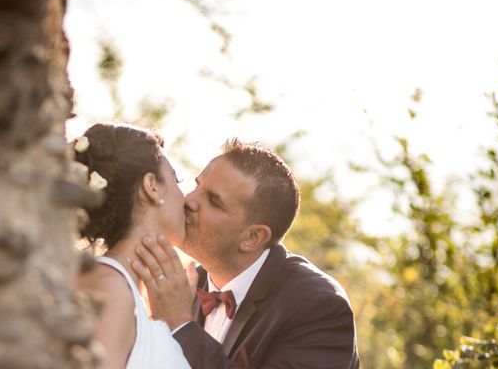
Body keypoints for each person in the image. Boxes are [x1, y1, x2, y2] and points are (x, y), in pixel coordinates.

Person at [132, 138, 360, 368]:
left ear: (253, 238)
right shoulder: (185, 289)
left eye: (213, 201)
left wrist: (180, 323)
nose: (189, 200)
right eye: (197, 185)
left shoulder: (318, 306)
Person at [73, 123, 192, 369]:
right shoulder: (108, 288)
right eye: (176, 180)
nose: (187, 200)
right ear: (152, 187)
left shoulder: (132, 291)